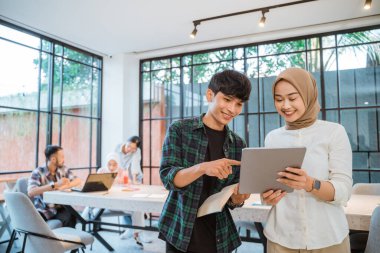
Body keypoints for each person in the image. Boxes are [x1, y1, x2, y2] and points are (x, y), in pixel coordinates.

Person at [158, 69, 252, 253]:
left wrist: (238, 197)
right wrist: (202, 168)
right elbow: (168, 178)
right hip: (180, 229)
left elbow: (232, 198)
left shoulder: (238, 144)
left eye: (239, 104)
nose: (232, 109)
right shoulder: (180, 130)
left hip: (219, 234)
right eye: (227, 99)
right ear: (210, 94)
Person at [261, 68, 352, 253]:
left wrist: (310, 184)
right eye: (279, 99)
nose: (285, 105)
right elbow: (269, 188)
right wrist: (267, 197)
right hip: (281, 240)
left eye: (292, 98)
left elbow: (343, 191)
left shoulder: (334, 132)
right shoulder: (272, 137)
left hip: (328, 239)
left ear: (308, 95)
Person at [82, 152, 148, 248]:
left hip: (119, 204)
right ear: (106, 163)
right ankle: (132, 230)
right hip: (104, 205)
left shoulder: (121, 171)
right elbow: (94, 187)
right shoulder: (101, 171)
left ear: (118, 164)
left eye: (114, 164)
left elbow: (128, 185)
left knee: (138, 208)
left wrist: (124, 182)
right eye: (109, 164)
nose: (112, 167)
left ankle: (137, 233)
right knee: (88, 214)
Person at [28, 145, 81, 228]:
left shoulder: (63, 169)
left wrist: (66, 186)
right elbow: (31, 192)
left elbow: (77, 180)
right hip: (44, 209)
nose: (64, 159)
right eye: (62, 157)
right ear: (53, 159)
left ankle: (68, 240)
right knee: (69, 218)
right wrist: (55, 185)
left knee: (73, 216)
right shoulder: (38, 172)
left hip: (60, 207)